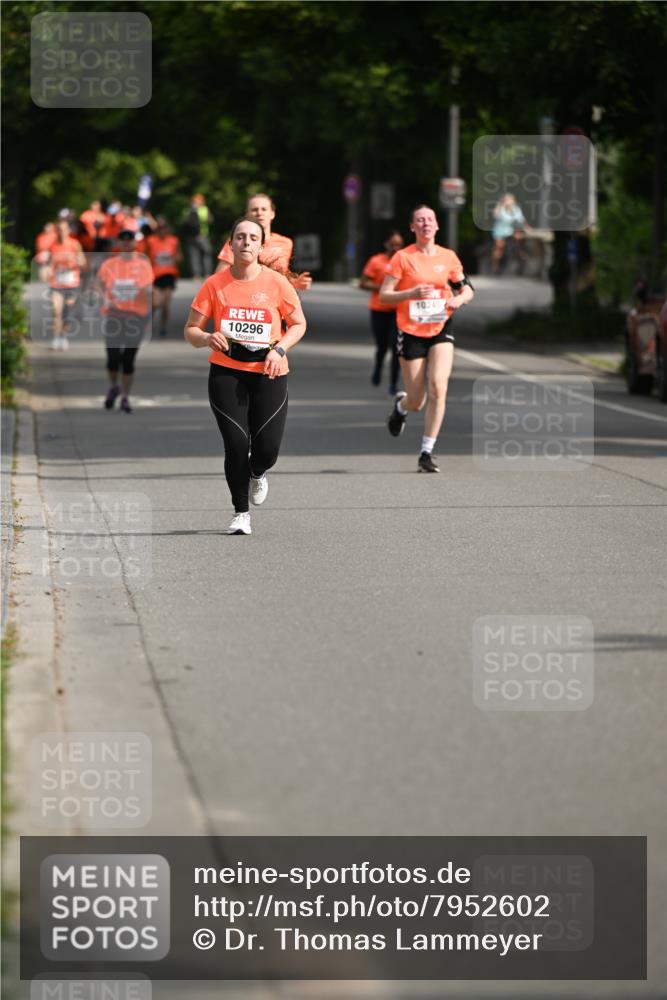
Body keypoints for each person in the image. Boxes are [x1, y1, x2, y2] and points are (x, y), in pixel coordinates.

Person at [184, 217, 307, 535]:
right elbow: (191, 330)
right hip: (227, 373)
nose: (247, 242)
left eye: (253, 237)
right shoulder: (215, 285)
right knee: (236, 444)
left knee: (267, 449)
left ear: (262, 245)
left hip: (270, 371)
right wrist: (207, 338)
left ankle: (258, 471)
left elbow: (298, 324)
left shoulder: (277, 283)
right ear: (231, 244)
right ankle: (241, 512)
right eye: (240, 237)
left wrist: (279, 350)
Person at [380, 205, 474, 473]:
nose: (426, 223)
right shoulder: (402, 258)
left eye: (430, 219)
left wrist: (458, 299)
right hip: (410, 330)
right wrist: (409, 293)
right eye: (420, 220)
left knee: (438, 387)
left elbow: (467, 289)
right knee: (417, 400)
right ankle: (401, 407)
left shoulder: (449, 257)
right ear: (412, 227)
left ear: (437, 225)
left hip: (441, 326)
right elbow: (385, 294)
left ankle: (426, 452)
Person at [96, 229, 154, 413]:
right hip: (114, 314)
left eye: (130, 240)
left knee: (128, 360)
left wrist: (148, 294)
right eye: (123, 240)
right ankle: (114, 386)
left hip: (136, 316)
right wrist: (101, 296)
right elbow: (97, 284)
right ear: (119, 243)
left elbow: (147, 286)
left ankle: (126, 397)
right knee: (113, 359)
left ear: (135, 243)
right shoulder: (109, 264)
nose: (127, 243)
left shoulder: (143, 264)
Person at [216, 193, 311, 291]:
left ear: (272, 214)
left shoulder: (286, 243)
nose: (259, 213)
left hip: (276, 298)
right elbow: (219, 277)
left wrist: (295, 283)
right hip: (247, 296)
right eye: (254, 210)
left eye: (264, 209)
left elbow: (281, 276)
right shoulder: (238, 241)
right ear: (247, 215)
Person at [360, 230, 404, 394]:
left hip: (397, 311)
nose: (395, 247)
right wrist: (384, 289)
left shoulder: (404, 261)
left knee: (396, 347)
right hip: (379, 310)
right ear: (386, 244)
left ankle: (393, 383)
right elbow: (363, 283)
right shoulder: (376, 261)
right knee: (382, 346)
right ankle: (378, 368)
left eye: (398, 244)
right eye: (392, 244)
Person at [45, 219, 86, 350]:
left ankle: (63, 336)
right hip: (57, 283)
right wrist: (48, 270)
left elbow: (83, 262)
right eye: (59, 230)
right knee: (56, 311)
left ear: (68, 230)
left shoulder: (75, 244)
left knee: (67, 313)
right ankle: (56, 338)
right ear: (56, 231)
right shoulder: (53, 246)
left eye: (64, 229)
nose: (62, 232)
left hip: (71, 283)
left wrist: (76, 261)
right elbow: (50, 263)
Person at [146, 217, 183, 337]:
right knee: (156, 303)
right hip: (155, 274)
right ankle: (147, 320)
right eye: (159, 228)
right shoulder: (151, 240)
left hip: (169, 274)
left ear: (167, 228)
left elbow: (179, 255)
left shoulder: (173, 240)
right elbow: (145, 256)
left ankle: (163, 327)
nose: (162, 230)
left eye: (164, 227)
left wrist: (177, 258)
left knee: (166, 304)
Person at [491, 193, 527, 274]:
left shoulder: (516, 209)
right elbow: (496, 215)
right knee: (499, 248)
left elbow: (521, 220)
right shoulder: (500, 208)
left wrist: (526, 228)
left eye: (510, 200)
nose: (509, 202)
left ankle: (522, 264)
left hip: (511, 231)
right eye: (507, 200)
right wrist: (500, 205)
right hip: (500, 232)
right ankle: (495, 267)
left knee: (520, 243)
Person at [184, 193, 213, 279]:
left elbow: (184, 222)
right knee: (206, 254)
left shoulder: (188, 210)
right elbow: (210, 220)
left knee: (194, 256)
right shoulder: (204, 209)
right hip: (202, 235)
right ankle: (207, 273)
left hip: (191, 237)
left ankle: (196, 275)